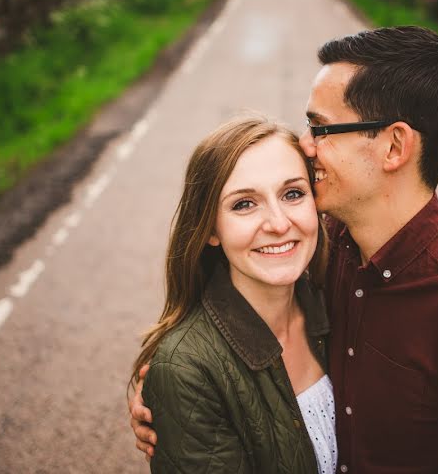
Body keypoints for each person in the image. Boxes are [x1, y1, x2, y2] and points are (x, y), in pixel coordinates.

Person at [131, 26, 438, 473]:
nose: (306, 144)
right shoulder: (321, 251)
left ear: (394, 146)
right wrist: (173, 394)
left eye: (322, 128)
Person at [129, 116, 337, 474]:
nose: (278, 223)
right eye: (244, 204)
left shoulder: (341, 298)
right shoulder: (186, 372)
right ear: (211, 229)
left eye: (293, 194)